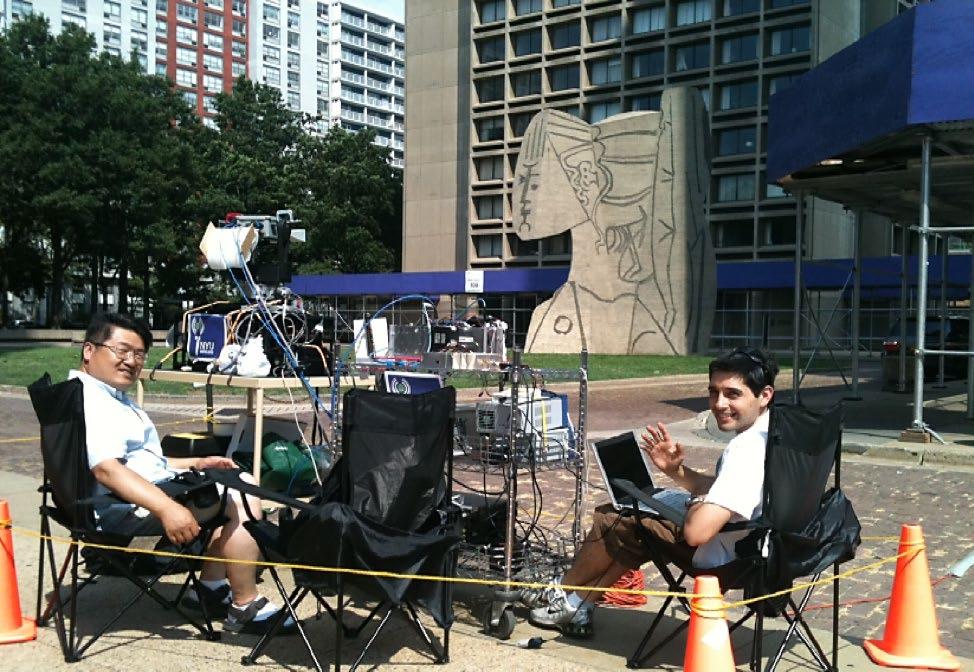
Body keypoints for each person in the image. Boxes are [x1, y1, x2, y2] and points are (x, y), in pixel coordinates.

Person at [527, 347, 778, 637]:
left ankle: (561, 592)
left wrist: (697, 501)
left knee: (614, 517)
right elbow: (729, 488)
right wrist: (675, 471)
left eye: (733, 394)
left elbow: (696, 533)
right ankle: (578, 604)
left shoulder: (746, 450)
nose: (719, 404)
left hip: (729, 558)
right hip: (767, 547)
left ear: (764, 395)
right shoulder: (775, 432)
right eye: (714, 392)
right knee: (633, 526)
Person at [71, 312, 295, 635]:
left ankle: (211, 589)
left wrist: (197, 464)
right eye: (121, 351)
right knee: (241, 491)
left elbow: (141, 463)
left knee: (231, 480)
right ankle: (244, 605)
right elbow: (107, 469)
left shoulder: (95, 394)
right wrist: (167, 509)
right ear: (89, 350)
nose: (131, 361)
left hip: (123, 497)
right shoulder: (94, 401)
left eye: (139, 354)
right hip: (122, 507)